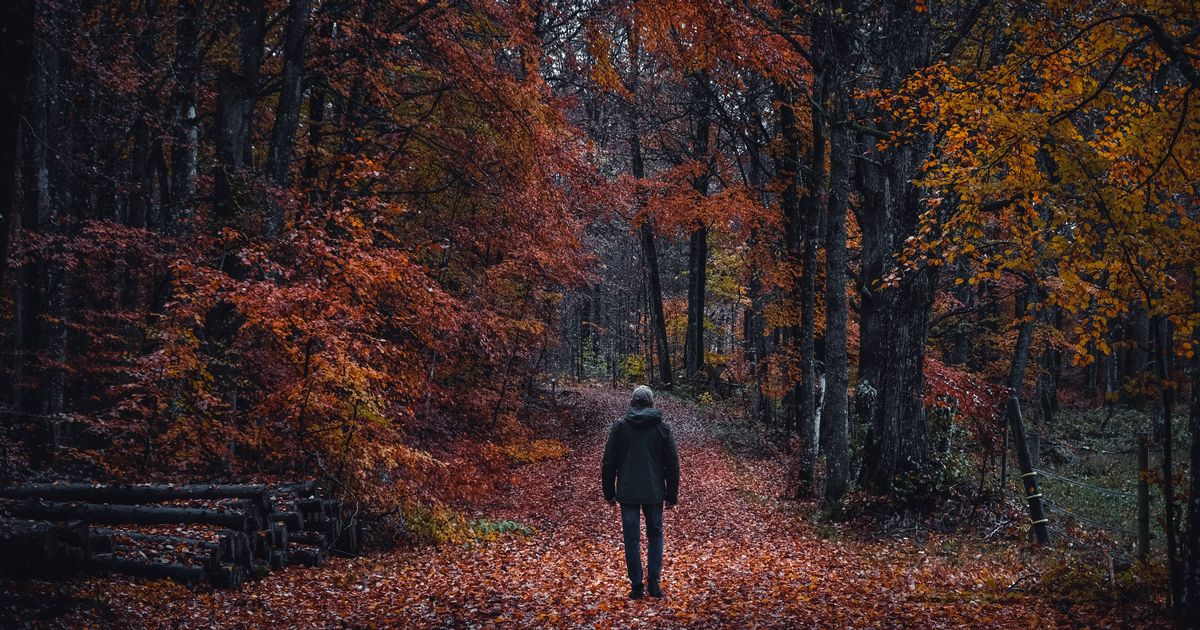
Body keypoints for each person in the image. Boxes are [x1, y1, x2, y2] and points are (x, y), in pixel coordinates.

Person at [601, 385, 680, 599]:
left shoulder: (620, 427)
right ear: (651, 403)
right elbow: (672, 464)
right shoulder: (662, 428)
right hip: (654, 493)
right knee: (655, 535)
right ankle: (654, 583)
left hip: (628, 493)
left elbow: (609, 462)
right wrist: (671, 496)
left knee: (631, 539)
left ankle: (636, 586)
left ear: (632, 402)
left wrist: (609, 493)